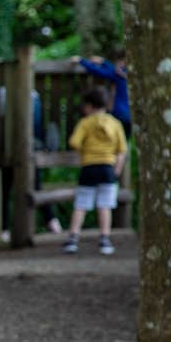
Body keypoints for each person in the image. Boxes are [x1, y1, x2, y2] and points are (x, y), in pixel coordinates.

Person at [62, 88, 127, 255]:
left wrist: (85, 152)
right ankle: (105, 239)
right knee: (105, 205)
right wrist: (117, 169)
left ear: (89, 106)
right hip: (107, 168)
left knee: (82, 203)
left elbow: (74, 142)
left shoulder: (85, 123)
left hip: (89, 167)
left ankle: (73, 238)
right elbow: (122, 150)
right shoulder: (115, 123)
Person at [72, 49, 131, 137]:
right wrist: (103, 62)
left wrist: (81, 60)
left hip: (119, 114)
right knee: (124, 142)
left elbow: (98, 71)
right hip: (130, 115)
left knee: (114, 138)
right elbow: (113, 71)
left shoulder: (118, 74)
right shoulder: (130, 74)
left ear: (123, 61)